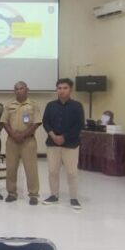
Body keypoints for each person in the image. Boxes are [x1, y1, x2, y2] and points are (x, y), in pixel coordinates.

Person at [42, 78, 85, 210]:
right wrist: (53, 135)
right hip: (52, 143)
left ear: (70, 89)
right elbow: (45, 122)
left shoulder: (77, 106)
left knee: (72, 172)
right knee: (53, 171)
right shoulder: (50, 105)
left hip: (71, 144)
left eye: (65, 88)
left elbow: (79, 125)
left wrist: (64, 137)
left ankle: (73, 198)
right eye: (59, 88)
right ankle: (54, 196)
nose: (62, 91)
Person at [0, 81, 42, 205]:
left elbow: (37, 123)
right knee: (11, 169)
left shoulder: (33, 105)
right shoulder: (9, 105)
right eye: (16, 89)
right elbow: (4, 121)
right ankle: (12, 193)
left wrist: (23, 135)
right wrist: (13, 135)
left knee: (31, 169)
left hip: (28, 141)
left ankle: (33, 194)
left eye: (21, 88)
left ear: (27, 89)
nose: (19, 91)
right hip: (12, 141)